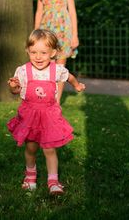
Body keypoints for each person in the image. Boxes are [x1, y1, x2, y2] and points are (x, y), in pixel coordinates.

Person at [7, 29, 85, 195]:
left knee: (49, 149)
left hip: (49, 116)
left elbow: (69, 77)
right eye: (33, 52)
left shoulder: (56, 70)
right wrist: (14, 87)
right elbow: (17, 91)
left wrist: (77, 85)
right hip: (30, 118)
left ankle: (53, 181)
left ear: (53, 53)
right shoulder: (23, 71)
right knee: (31, 148)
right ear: (28, 50)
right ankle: (30, 176)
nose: (38, 56)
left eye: (43, 52)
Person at [34, 0, 79, 103]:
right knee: (47, 68)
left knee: (60, 70)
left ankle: (56, 103)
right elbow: (39, 11)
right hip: (47, 32)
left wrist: (75, 35)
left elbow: (72, 12)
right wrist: (36, 34)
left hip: (64, 32)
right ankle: (46, 99)